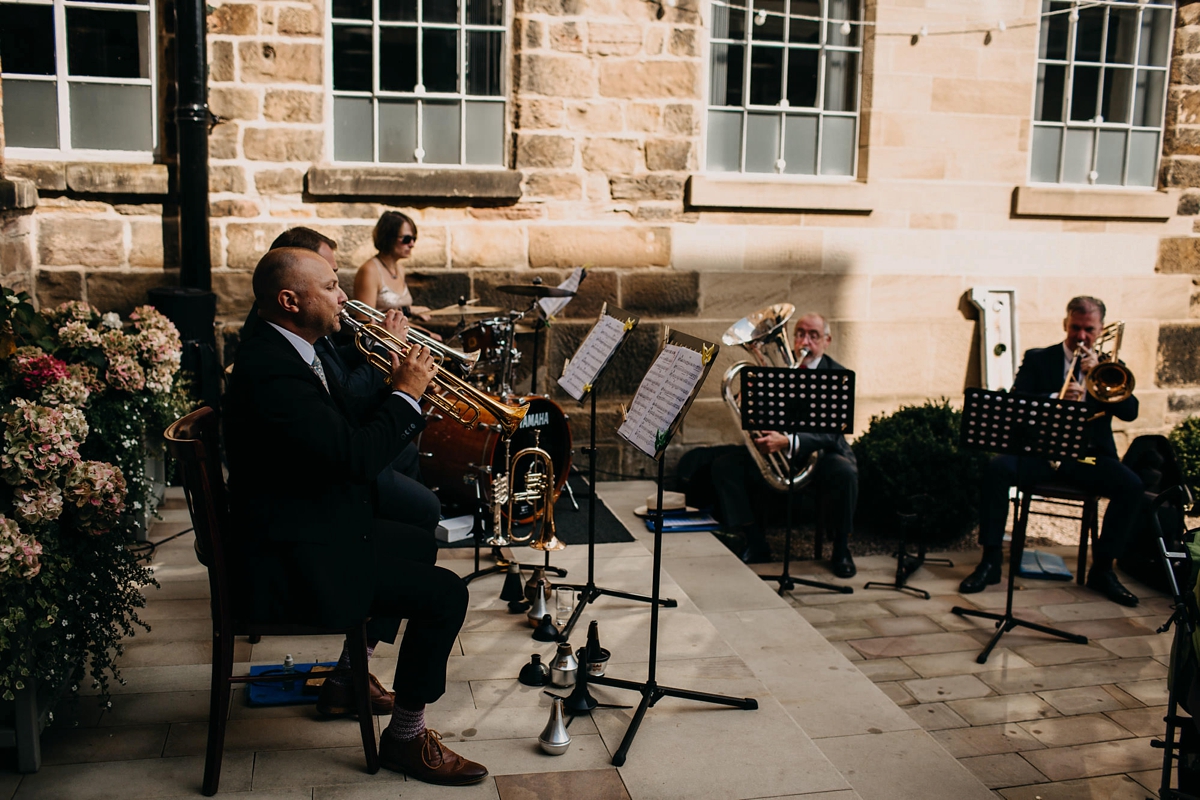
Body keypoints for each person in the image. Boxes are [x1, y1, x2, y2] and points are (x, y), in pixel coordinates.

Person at [224, 247, 487, 785]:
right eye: (330, 287)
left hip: (299, 529)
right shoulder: (273, 371)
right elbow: (356, 460)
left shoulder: (288, 349)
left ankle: (351, 674)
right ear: (289, 300)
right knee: (446, 594)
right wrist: (406, 396)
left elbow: (337, 437)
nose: (343, 295)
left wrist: (398, 389)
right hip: (290, 564)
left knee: (417, 540)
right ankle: (407, 738)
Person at [959, 295, 1144, 607]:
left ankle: (1103, 570)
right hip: (1040, 454)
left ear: (1099, 331)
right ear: (1065, 324)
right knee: (996, 469)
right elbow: (1018, 402)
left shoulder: (1111, 368)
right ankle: (990, 561)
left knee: (1132, 486)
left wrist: (1096, 379)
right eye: (1075, 327)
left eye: (1089, 329)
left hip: (1085, 458)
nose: (1081, 336)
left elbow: (1131, 412)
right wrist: (1056, 400)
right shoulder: (1038, 358)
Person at [681, 312, 859, 578]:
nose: (805, 341)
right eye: (800, 333)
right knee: (724, 467)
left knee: (845, 473)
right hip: (779, 455)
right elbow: (761, 420)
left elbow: (832, 434)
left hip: (820, 455)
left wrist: (788, 441)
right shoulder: (778, 375)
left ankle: (842, 549)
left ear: (827, 341)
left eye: (813, 335)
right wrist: (750, 404)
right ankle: (755, 541)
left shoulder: (838, 376)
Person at [355, 211, 431, 321]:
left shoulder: (400, 269)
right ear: (388, 238)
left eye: (414, 238)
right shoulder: (370, 270)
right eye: (406, 239)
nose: (412, 244)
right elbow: (365, 319)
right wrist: (407, 310)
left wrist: (427, 333)